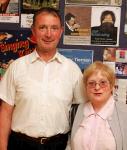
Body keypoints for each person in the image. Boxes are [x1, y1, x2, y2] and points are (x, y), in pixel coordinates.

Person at [0, 7, 85, 150]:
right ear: (33, 31)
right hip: (20, 145)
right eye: (42, 27)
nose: (48, 34)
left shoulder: (73, 70)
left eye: (54, 28)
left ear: (61, 32)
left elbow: (82, 114)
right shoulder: (16, 67)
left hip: (59, 145)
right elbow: (5, 112)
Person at [71, 61, 127, 150]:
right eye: (91, 83)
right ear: (85, 87)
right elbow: (70, 144)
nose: (97, 87)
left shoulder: (124, 112)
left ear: (111, 85)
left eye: (103, 82)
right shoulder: (77, 111)